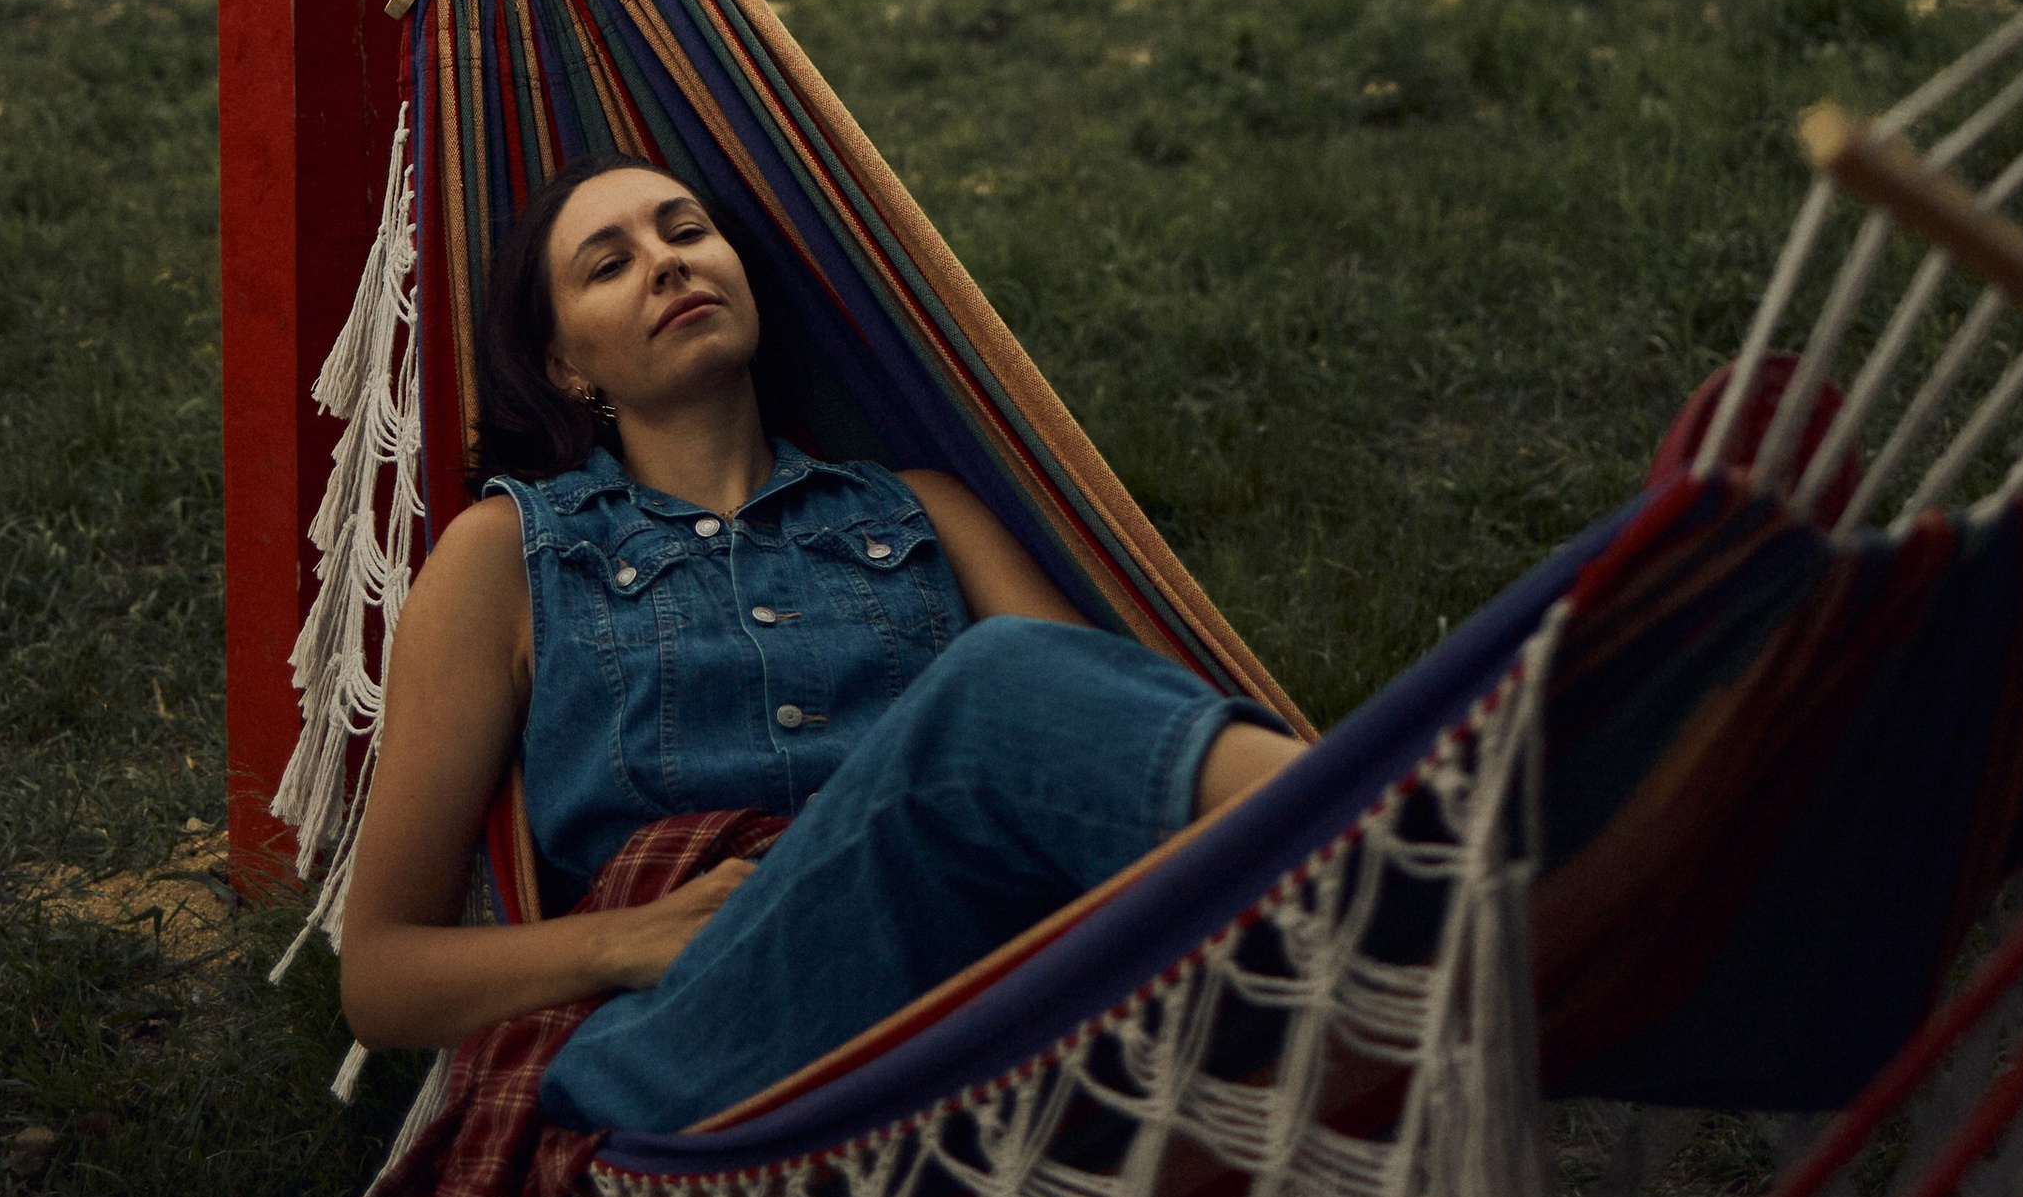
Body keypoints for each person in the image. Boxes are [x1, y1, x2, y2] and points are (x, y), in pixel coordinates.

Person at [340, 160, 1303, 1140]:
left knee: (1011, 687)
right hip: (699, 1034)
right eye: (609, 264)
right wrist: (620, 943)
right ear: (566, 368)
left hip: (964, 984)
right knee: (997, 676)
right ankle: (1351, 824)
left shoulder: (924, 511)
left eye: (685, 232)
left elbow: (1100, 759)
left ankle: (1342, 856)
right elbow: (381, 977)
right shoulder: (509, 555)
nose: (668, 265)